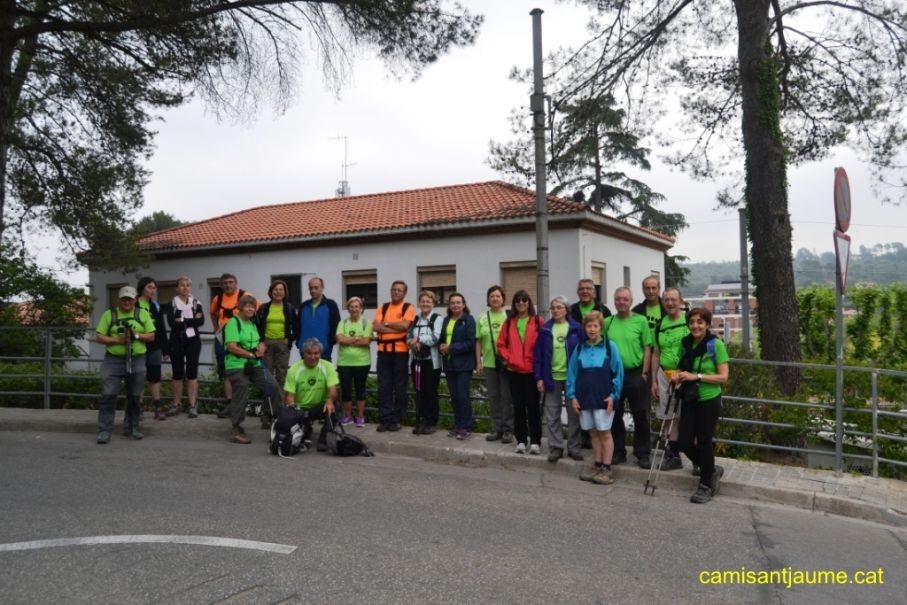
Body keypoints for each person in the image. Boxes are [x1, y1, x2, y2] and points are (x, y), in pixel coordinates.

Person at [673, 307, 730, 504]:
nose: (695, 325)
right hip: (690, 397)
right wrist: (678, 376)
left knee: (705, 442)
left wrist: (696, 376)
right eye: (692, 322)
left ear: (707, 324)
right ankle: (711, 469)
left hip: (709, 399)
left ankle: (706, 484)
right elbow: (683, 366)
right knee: (685, 443)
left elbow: (723, 377)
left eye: (700, 322)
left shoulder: (715, 345)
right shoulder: (685, 343)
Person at [567, 311, 624, 484]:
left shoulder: (610, 347)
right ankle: (597, 464)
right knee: (592, 433)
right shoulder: (579, 348)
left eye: (595, 326)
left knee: (605, 433)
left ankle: (607, 469)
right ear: (584, 328)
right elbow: (572, 375)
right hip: (584, 398)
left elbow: (618, 373)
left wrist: (614, 396)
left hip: (603, 398)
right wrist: (572, 397)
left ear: (601, 327)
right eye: (589, 326)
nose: (592, 329)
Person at [94, 286, 156, 444]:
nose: (127, 302)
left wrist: (135, 335)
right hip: (113, 359)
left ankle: (132, 427)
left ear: (135, 299)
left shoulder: (142, 314)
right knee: (108, 393)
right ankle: (105, 430)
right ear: (119, 300)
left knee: (134, 395)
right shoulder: (109, 314)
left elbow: (151, 336)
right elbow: (99, 337)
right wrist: (117, 340)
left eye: (130, 299)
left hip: (137, 358)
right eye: (124, 299)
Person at [223, 294, 283, 444]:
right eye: (247, 306)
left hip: (254, 364)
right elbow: (231, 347)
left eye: (252, 306)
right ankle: (236, 428)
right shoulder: (233, 323)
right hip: (236, 364)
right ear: (240, 307)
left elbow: (258, 343)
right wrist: (251, 354)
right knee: (242, 387)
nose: (250, 309)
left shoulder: (252, 324)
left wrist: (261, 348)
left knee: (273, 386)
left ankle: (271, 418)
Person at [606, 286, 654, 468]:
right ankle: (618, 451)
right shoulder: (607, 322)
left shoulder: (640, 321)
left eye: (625, 299)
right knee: (615, 414)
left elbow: (647, 348)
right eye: (618, 299)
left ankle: (642, 453)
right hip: (614, 376)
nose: (621, 302)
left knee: (640, 414)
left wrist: (645, 372)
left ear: (631, 301)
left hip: (636, 373)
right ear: (614, 301)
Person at [534, 295, 584, 462]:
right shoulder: (546, 329)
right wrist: (539, 377)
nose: (555, 310)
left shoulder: (576, 328)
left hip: (572, 379)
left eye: (559, 307)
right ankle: (555, 447)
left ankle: (574, 447)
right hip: (551, 377)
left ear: (566, 310)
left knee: (574, 414)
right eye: (553, 308)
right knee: (552, 414)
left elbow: (583, 353)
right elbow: (539, 355)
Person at [497, 289, 542, 454]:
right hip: (514, 371)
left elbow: (544, 344)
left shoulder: (538, 321)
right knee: (518, 407)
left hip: (532, 372)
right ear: (514, 304)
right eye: (518, 301)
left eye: (524, 300)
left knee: (534, 408)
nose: (521, 303)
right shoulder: (509, 322)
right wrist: (510, 358)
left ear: (529, 303)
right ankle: (521, 440)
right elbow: (501, 344)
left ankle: (536, 441)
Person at [649, 287, 689, 471]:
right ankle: (673, 454)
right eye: (666, 300)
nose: (670, 303)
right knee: (668, 416)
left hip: (686, 376)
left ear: (681, 301)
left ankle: (695, 456)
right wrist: (654, 381)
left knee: (689, 417)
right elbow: (656, 354)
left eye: (673, 299)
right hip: (665, 375)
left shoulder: (690, 321)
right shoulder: (659, 325)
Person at [373, 280, 415, 432]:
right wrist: (394, 327)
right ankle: (385, 419)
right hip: (383, 352)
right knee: (384, 387)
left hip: (400, 353)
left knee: (400, 387)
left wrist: (386, 324)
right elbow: (375, 326)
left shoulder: (407, 307)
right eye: (394, 289)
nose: (396, 292)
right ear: (391, 291)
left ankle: (396, 420)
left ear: (404, 293)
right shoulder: (383, 307)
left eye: (399, 290)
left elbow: (405, 326)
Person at [284, 338, 340, 451]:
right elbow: (289, 397)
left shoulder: (328, 366)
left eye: (316, 353)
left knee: (335, 405)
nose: (312, 357)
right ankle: (305, 429)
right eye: (309, 353)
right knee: (300, 434)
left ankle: (323, 441)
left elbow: (333, 390)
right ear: (303, 353)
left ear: (320, 353)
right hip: (301, 409)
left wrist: (329, 401)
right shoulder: (294, 369)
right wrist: (293, 414)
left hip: (319, 406)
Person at [476, 285, 513, 444]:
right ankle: (497, 428)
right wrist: (479, 362)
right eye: (492, 296)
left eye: (498, 296)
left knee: (507, 397)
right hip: (490, 364)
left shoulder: (509, 316)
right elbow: (478, 342)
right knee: (493, 397)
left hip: (507, 364)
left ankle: (508, 430)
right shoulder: (482, 317)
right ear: (488, 299)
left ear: (503, 299)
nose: (495, 299)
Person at [440, 292, 476, 440]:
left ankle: (466, 427)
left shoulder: (468, 320)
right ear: (449, 305)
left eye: (458, 302)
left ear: (463, 304)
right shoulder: (446, 320)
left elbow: (470, 343)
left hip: (464, 365)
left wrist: (450, 348)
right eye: (452, 302)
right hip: (449, 364)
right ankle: (457, 425)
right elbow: (442, 339)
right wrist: (441, 347)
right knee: (454, 397)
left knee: (462, 396)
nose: (455, 305)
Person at [167, 276, 205, 418]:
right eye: (182, 285)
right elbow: (171, 323)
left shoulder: (196, 302)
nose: (185, 287)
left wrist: (182, 320)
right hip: (176, 340)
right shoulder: (172, 303)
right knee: (177, 373)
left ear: (190, 287)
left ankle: (192, 405)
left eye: (188, 285)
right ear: (177, 288)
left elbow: (201, 321)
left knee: (192, 372)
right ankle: (176, 404)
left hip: (193, 340)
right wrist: (191, 320)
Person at [407, 290, 443, 435]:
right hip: (416, 361)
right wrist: (411, 342)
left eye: (428, 301)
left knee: (430, 392)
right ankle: (420, 420)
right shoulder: (416, 320)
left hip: (431, 363)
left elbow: (436, 338)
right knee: (419, 391)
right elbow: (408, 337)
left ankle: (431, 422)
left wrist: (420, 340)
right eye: (423, 301)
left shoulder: (437, 318)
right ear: (419, 303)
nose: (425, 304)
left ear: (433, 303)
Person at [210, 273, 245, 413]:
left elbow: (256, 310)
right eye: (225, 283)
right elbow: (212, 314)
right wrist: (216, 329)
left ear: (236, 283)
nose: (228, 285)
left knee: (241, 371)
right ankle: (230, 403)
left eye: (231, 282)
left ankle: (240, 403)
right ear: (221, 285)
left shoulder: (244, 295)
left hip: (240, 339)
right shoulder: (217, 299)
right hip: (223, 338)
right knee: (225, 371)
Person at [336, 296, 373, 428]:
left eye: (357, 306)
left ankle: (360, 417)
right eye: (351, 306)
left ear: (361, 308)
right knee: (346, 390)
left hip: (362, 362)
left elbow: (366, 341)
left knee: (360, 390)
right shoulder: (343, 323)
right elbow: (340, 339)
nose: (354, 309)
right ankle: (347, 416)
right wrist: (357, 338)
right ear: (348, 308)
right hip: (344, 362)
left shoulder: (366, 323)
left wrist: (349, 339)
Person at [136, 277, 169, 421]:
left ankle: (157, 408)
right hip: (139, 346)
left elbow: (161, 328)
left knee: (155, 378)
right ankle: (139, 409)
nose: (153, 290)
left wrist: (166, 349)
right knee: (139, 378)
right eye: (150, 287)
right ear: (142, 288)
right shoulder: (134, 304)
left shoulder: (155, 305)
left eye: (154, 287)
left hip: (155, 347)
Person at [255, 279, 297, 389]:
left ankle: (280, 403)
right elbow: (256, 326)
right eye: (275, 289)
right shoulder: (264, 308)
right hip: (266, 344)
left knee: (281, 375)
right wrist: (260, 342)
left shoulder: (289, 308)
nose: (278, 292)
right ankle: (268, 404)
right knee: (267, 376)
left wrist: (290, 339)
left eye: (281, 289)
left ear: (285, 292)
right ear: (271, 292)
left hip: (282, 344)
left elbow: (297, 327)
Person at [296, 276, 341, 362]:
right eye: (311, 288)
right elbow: (298, 326)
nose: (313, 290)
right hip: (305, 351)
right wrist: (299, 343)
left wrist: (329, 343)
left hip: (324, 351)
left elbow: (336, 326)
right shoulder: (303, 306)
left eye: (316, 288)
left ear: (322, 288)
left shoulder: (331, 305)